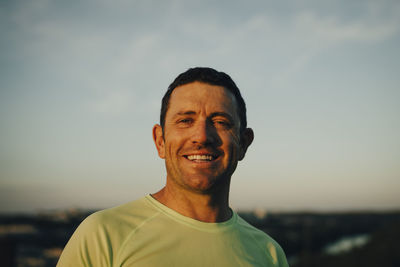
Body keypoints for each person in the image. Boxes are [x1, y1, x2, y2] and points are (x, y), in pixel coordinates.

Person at [57, 67, 289, 267]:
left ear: (244, 144)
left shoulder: (269, 254)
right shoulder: (102, 235)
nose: (201, 136)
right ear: (160, 141)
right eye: (185, 120)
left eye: (220, 122)